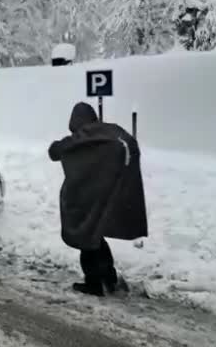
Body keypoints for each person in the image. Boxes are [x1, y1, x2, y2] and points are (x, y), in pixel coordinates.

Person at [48, 102, 148, 296]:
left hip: (89, 197)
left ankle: (93, 284)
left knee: (86, 238)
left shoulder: (84, 136)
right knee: (95, 236)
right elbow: (128, 144)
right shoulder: (111, 131)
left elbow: (55, 152)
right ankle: (109, 279)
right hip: (108, 192)